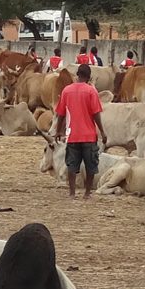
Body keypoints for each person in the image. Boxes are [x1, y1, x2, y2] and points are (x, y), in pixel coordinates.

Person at [53, 64, 107, 200]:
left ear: (77, 75)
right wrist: (102, 131)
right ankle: (87, 193)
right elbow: (96, 114)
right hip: (88, 135)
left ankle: (72, 193)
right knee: (91, 165)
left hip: (72, 135)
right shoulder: (91, 91)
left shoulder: (66, 91)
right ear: (89, 77)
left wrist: (59, 130)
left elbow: (60, 114)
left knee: (72, 165)